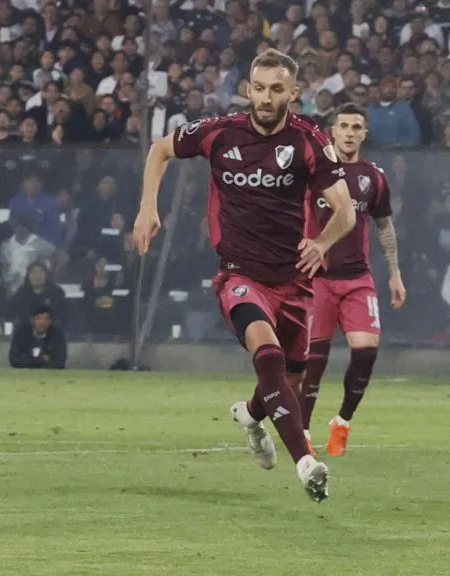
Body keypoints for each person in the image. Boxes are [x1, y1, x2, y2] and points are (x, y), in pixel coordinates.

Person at [132, 49, 356, 502]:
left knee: (285, 384)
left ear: (293, 92)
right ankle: (307, 463)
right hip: (239, 275)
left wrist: (322, 243)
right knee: (268, 357)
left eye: (277, 89)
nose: (266, 97)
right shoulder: (220, 133)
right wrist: (147, 207)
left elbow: (346, 211)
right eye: (259, 87)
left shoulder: (309, 141)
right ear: (248, 88)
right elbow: (160, 150)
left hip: (292, 283)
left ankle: (251, 416)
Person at [300, 103, 406, 457]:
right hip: (316, 279)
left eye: (356, 127)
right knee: (314, 360)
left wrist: (394, 273)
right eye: (343, 125)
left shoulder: (373, 176)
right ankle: (301, 431)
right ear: (331, 130)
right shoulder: (313, 171)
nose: (348, 132)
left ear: (364, 133)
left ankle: (342, 423)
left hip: (357, 278)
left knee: (366, 351)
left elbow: (384, 225)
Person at [9, 304, 67, 369]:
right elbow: (14, 360)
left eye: (46, 319)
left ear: (50, 321)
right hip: (24, 376)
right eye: (38, 318)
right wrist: (41, 360)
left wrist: (28, 359)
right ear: (32, 320)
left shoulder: (57, 335)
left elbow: (60, 361)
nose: (42, 322)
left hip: (49, 376)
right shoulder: (20, 334)